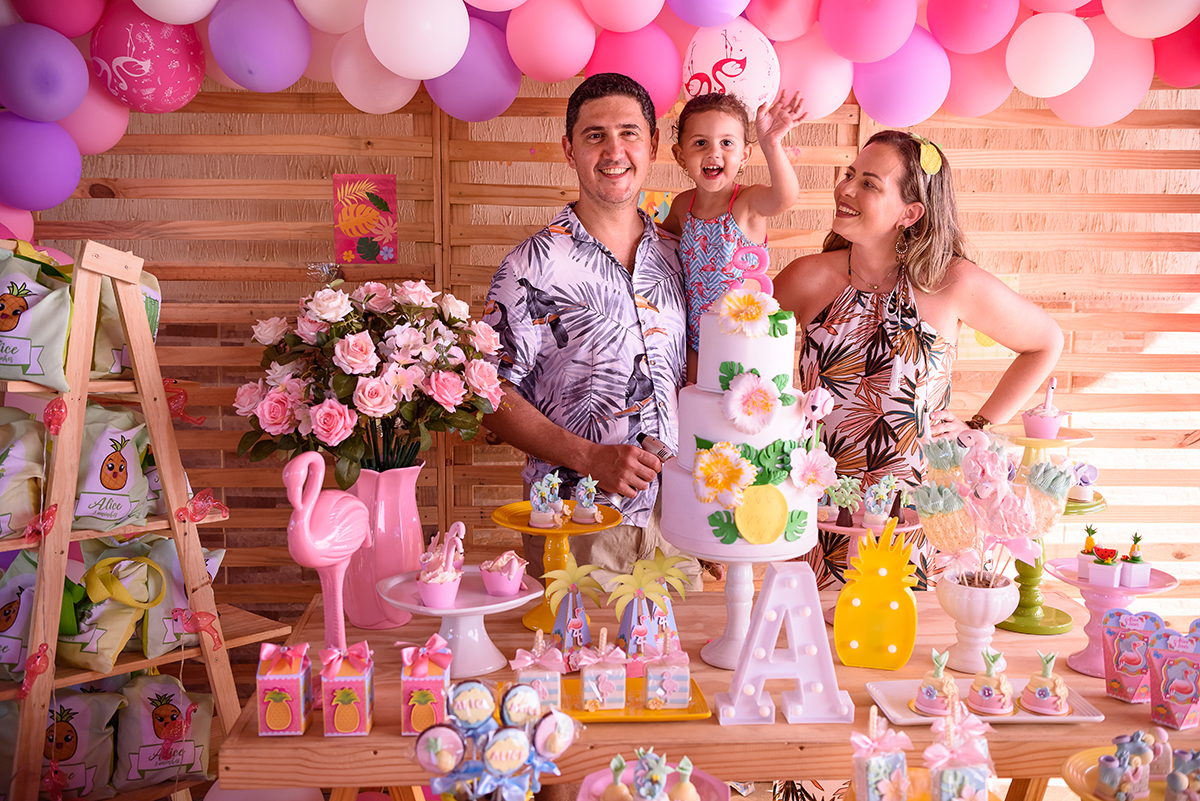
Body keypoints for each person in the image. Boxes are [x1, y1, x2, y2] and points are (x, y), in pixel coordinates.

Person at [774, 129, 1063, 588]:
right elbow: (740, 336)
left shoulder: (953, 284)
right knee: (819, 645)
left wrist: (981, 425)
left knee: (905, 650)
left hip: (916, 517)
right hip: (821, 511)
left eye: (869, 183)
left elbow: (1045, 342)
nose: (845, 188)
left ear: (910, 213)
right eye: (850, 174)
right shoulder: (807, 278)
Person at [482, 73, 700, 591]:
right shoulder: (530, 266)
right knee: (573, 669)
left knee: (674, 672)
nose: (613, 150)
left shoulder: (681, 256)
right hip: (575, 523)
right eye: (594, 135)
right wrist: (591, 457)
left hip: (676, 527)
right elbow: (487, 394)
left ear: (651, 146)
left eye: (628, 133)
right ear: (569, 149)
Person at [660, 91, 807, 381]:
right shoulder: (682, 206)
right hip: (694, 336)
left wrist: (771, 144)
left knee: (732, 409)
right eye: (700, 143)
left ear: (744, 155)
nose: (714, 153)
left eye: (726, 143)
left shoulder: (747, 203)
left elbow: (785, 197)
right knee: (695, 406)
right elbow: (658, 241)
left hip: (741, 337)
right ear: (680, 156)